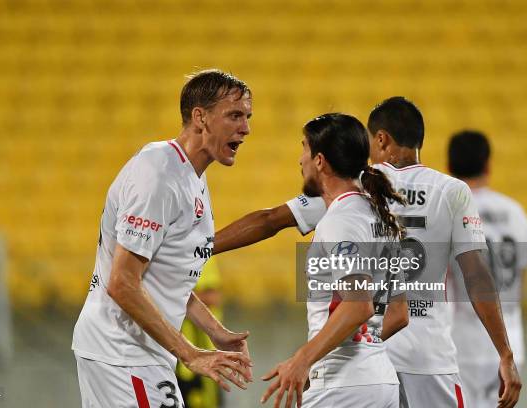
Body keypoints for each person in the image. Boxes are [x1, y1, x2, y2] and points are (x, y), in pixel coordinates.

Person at [215, 97, 521, 408]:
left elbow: (269, 220)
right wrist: (505, 353)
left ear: (381, 139)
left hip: (362, 355)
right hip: (429, 360)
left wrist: (203, 248)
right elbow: (476, 276)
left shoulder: (354, 185)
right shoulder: (451, 191)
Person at [72, 69, 253, 408]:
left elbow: (167, 278)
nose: (246, 128)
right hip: (123, 353)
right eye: (234, 115)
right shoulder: (158, 174)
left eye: (247, 117)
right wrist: (191, 354)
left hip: (140, 353)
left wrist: (215, 332)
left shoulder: (191, 177)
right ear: (200, 117)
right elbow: (123, 283)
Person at [260, 113, 409, 408]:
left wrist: (303, 359)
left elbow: (358, 304)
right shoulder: (379, 216)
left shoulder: (340, 220)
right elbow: (399, 313)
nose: (300, 160)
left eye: (304, 148)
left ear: (319, 160)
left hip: (343, 385)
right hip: (380, 380)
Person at [447, 130, 527, 407]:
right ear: (488, 164)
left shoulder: (451, 211)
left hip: (465, 341)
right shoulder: (516, 212)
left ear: (448, 167)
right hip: (510, 341)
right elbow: (520, 273)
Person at [176, 258, 224, 407]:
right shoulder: (167, 256)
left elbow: (213, 297)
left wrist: (176, 296)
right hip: (176, 353)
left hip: (206, 352)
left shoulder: (204, 254)